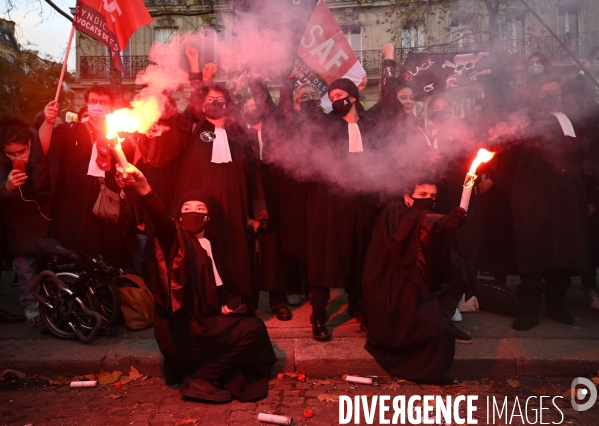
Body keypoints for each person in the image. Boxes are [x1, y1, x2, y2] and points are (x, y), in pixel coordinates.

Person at [118, 164, 276, 402]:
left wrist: (229, 304)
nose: (193, 212)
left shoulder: (209, 245)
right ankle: (203, 377)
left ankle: (201, 373)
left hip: (204, 320)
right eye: (186, 208)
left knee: (251, 324)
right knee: (254, 329)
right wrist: (143, 186)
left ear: (208, 216)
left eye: (200, 208)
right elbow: (161, 219)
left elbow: (216, 290)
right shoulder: (176, 241)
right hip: (184, 327)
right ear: (178, 216)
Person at [177, 61, 267, 305]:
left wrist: (257, 211)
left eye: (219, 99)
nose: (214, 103)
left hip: (235, 207)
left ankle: (239, 300)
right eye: (209, 99)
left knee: (236, 253)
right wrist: (198, 76)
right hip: (202, 209)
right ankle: (207, 300)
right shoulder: (194, 131)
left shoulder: (240, 136)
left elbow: (253, 174)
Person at [362, 179, 467, 384]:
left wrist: (443, 226)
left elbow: (426, 236)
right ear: (407, 198)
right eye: (422, 195)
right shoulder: (394, 212)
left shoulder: (421, 215)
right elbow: (414, 223)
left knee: (440, 329)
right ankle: (421, 370)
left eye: (432, 197)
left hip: (414, 283)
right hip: (390, 289)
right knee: (434, 331)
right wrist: (441, 222)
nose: (428, 200)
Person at [510, 75, 591, 330]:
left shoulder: (570, 121)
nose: (552, 97)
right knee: (531, 253)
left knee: (561, 252)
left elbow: (582, 160)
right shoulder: (523, 121)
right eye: (546, 94)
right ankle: (530, 308)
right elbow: (509, 160)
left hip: (565, 199)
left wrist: (586, 196)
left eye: (556, 93)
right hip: (530, 198)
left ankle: (557, 304)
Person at [39, 86, 131, 267]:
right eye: (94, 101)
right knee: (73, 246)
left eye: (103, 102)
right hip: (73, 199)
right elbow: (42, 150)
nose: (98, 105)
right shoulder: (69, 130)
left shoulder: (118, 135)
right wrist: (48, 122)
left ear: (110, 107)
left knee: (105, 250)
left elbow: (125, 166)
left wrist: (123, 180)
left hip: (105, 200)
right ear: (86, 103)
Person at [241, 75, 293, 320]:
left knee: (275, 251)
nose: (253, 109)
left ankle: (278, 299)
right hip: (252, 196)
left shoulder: (276, 127)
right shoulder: (241, 136)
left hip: (278, 195)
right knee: (250, 248)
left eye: (256, 105)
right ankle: (249, 300)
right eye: (248, 107)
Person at [0, 115, 51, 323]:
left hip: (42, 213)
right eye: (11, 154)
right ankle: (30, 303)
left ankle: (48, 299)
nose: (18, 157)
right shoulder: (4, 163)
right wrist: (7, 187)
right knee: (24, 264)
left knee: (46, 260)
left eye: (22, 151)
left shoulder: (39, 147)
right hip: (17, 219)